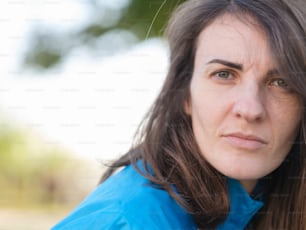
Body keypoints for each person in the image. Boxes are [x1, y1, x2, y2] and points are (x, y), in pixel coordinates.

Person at [52, 0, 306, 229]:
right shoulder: (131, 222)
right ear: (184, 94)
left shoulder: (262, 204)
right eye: (224, 75)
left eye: (282, 82)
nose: (250, 109)